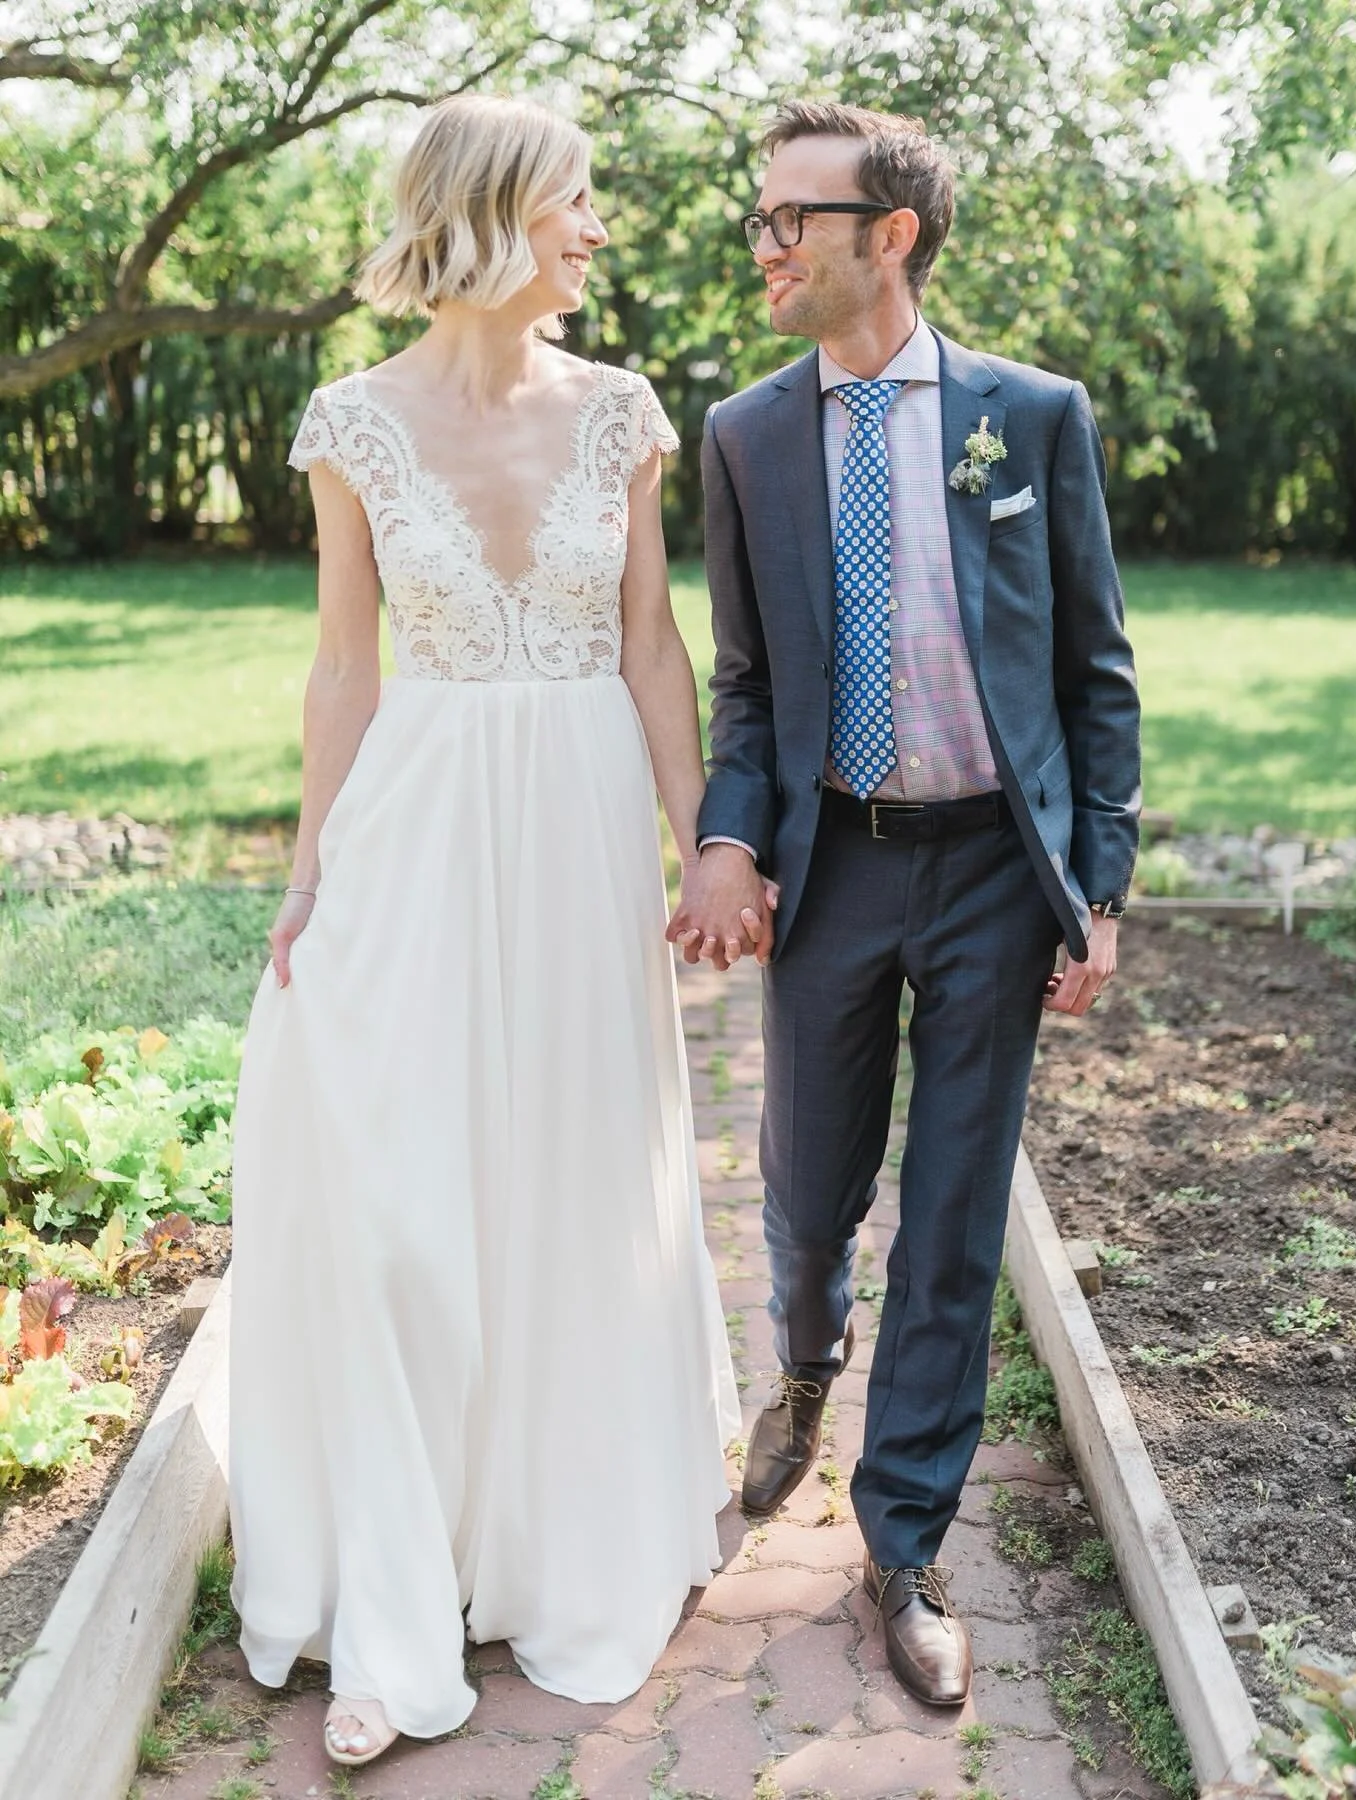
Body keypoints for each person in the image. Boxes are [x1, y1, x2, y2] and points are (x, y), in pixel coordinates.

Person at [228, 94, 740, 1769]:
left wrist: (703, 845)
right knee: (398, 1202)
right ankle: (395, 1596)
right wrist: (312, 862)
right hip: (420, 822)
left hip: (585, 830)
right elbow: (343, 666)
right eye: (577, 202)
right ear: (495, 216)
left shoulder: (624, 413)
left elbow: (654, 645)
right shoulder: (352, 423)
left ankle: (548, 1540)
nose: (600, 229)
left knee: (576, 1178)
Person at [668, 101, 1141, 1707]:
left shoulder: (1033, 417)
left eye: (794, 218)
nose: (767, 246)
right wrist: (729, 840)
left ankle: (905, 1541)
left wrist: (1104, 881)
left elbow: (1094, 672)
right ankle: (803, 1362)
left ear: (895, 236)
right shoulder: (743, 435)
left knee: (952, 1214)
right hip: (838, 863)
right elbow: (745, 687)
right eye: (761, 219)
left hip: (997, 874)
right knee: (808, 1189)